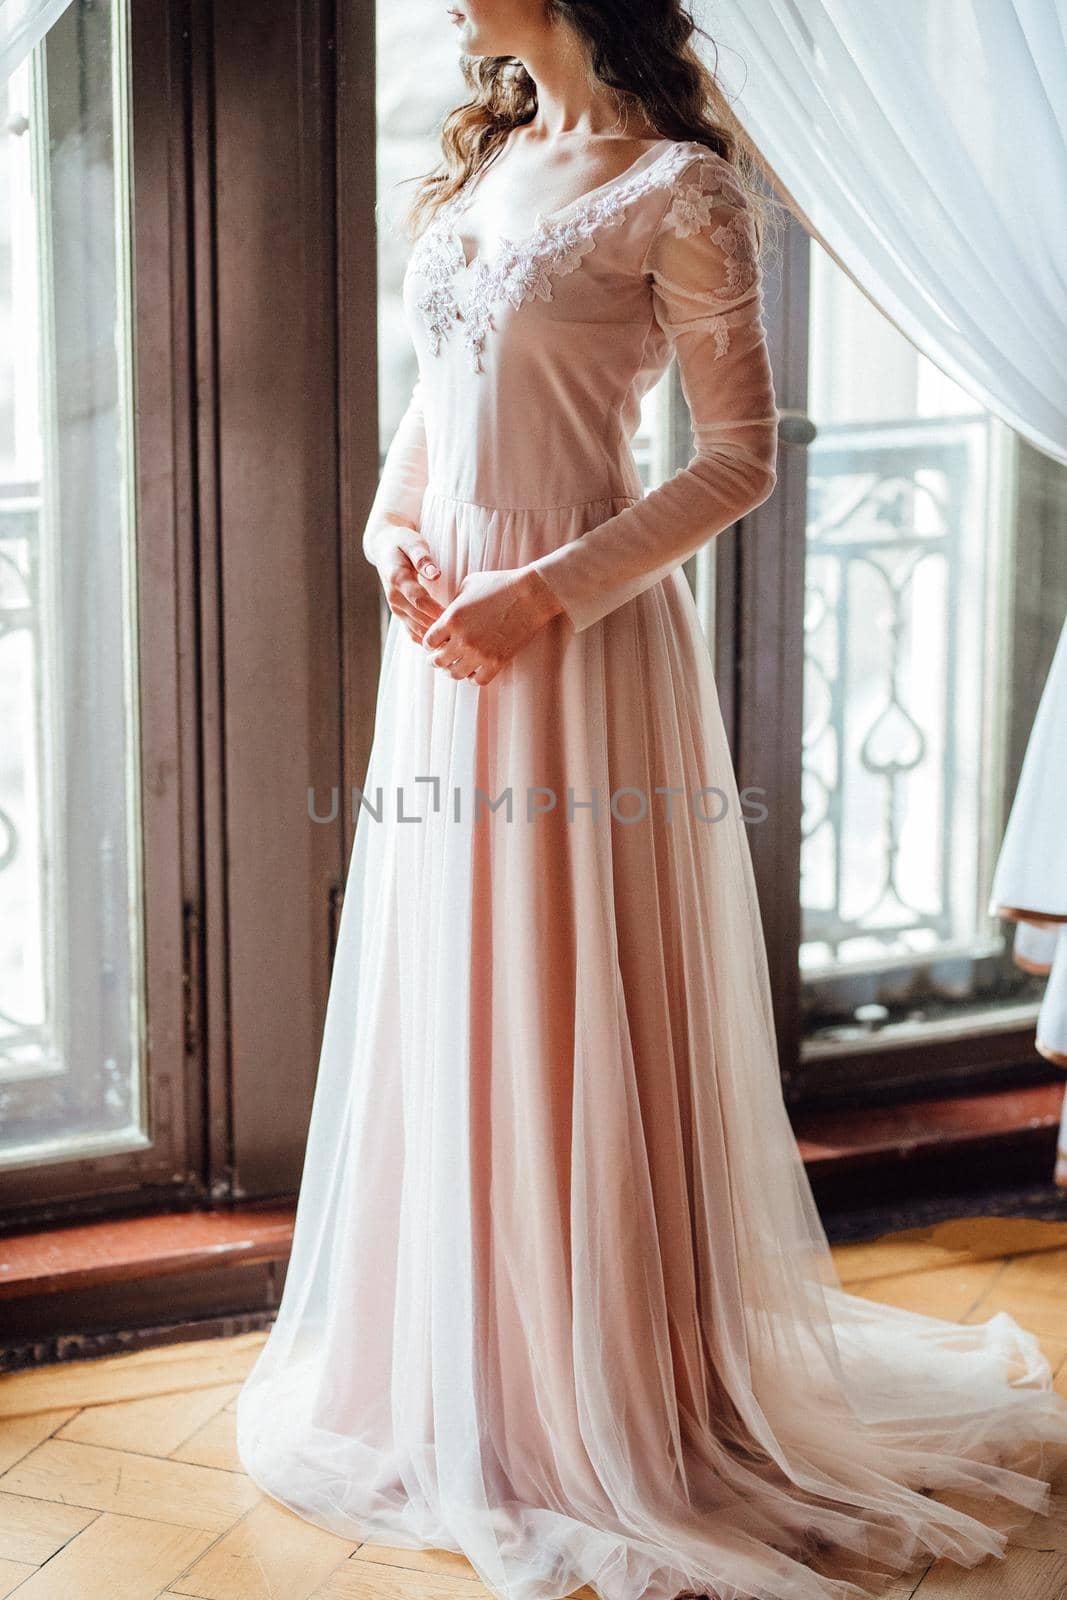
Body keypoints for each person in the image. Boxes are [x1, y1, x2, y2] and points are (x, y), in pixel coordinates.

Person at [236, 4, 1067, 1597]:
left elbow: (738, 457)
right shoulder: (490, 166)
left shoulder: (679, 188)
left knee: (570, 991)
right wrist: (389, 539)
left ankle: (610, 1395)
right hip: (450, 650)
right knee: (457, 991)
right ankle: (467, 1369)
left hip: (576, 652)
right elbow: (433, 410)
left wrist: (536, 595)